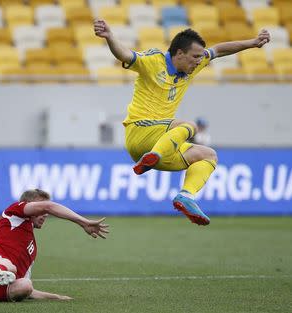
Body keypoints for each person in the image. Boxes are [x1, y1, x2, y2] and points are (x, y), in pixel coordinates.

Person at [94, 19, 270, 226]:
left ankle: (186, 196)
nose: (199, 61)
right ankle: (153, 156)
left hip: (163, 141)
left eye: (200, 57)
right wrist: (109, 37)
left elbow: (219, 50)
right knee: (189, 126)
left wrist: (253, 42)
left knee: (208, 155)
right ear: (179, 54)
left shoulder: (192, 65)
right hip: (139, 133)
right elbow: (124, 55)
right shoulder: (153, 61)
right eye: (195, 57)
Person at [0, 189, 108, 303]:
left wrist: (56, 297)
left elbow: (30, 293)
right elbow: (50, 205)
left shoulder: (32, 249)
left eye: (45, 212)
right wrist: (83, 222)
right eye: (40, 209)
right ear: (29, 206)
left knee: (26, 285)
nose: (45, 214)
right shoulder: (14, 214)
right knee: (9, 267)